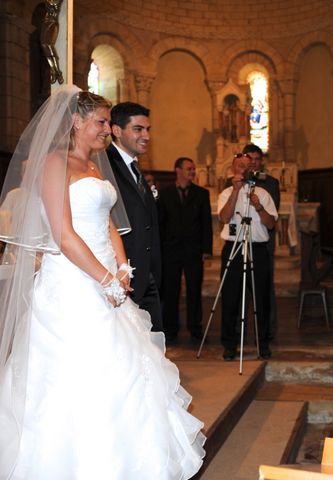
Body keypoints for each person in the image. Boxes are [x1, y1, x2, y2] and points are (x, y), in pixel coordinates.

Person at [0, 86, 204, 479]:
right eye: (101, 122)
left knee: (127, 376)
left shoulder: (94, 165)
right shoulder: (55, 163)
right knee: (78, 379)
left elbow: (109, 221)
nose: (108, 130)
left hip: (106, 281)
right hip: (72, 285)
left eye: (109, 123)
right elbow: (62, 234)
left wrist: (123, 267)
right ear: (76, 121)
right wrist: (106, 278)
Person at [107, 101, 163, 331]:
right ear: (117, 131)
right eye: (138, 129)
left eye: (148, 129)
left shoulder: (134, 167)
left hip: (146, 273)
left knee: (152, 347)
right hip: (124, 275)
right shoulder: (105, 164)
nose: (146, 135)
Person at [217, 153, 277, 361]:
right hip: (233, 247)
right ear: (233, 170)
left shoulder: (263, 193)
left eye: (246, 166)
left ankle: (263, 343)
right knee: (231, 297)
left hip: (257, 249)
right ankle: (230, 344)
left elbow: (270, 224)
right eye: (239, 166)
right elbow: (224, 218)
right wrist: (235, 191)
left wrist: (258, 206)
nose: (243, 169)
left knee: (261, 298)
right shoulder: (226, 193)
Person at [157, 157, 213, 344]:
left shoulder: (201, 194)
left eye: (193, 169)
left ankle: (195, 328)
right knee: (171, 290)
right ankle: (170, 328)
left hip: (193, 251)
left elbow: (206, 224)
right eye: (189, 169)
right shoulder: (164, 194)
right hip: (170, 251)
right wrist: (161, 247)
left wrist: (206, 249)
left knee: (194, 290)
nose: (192, 172)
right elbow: (160, 223)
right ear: (178, 170)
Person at [242, 144, 280, 339]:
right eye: (250, 159)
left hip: (263, 241)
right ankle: (243, 327)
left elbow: (272, 214)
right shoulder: (236, 182)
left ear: (261, 161)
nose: (254, 162)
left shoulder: (270, 183)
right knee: (242, 286)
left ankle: (267, 328)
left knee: (265, 285)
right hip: (242, 239)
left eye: (257, 159)